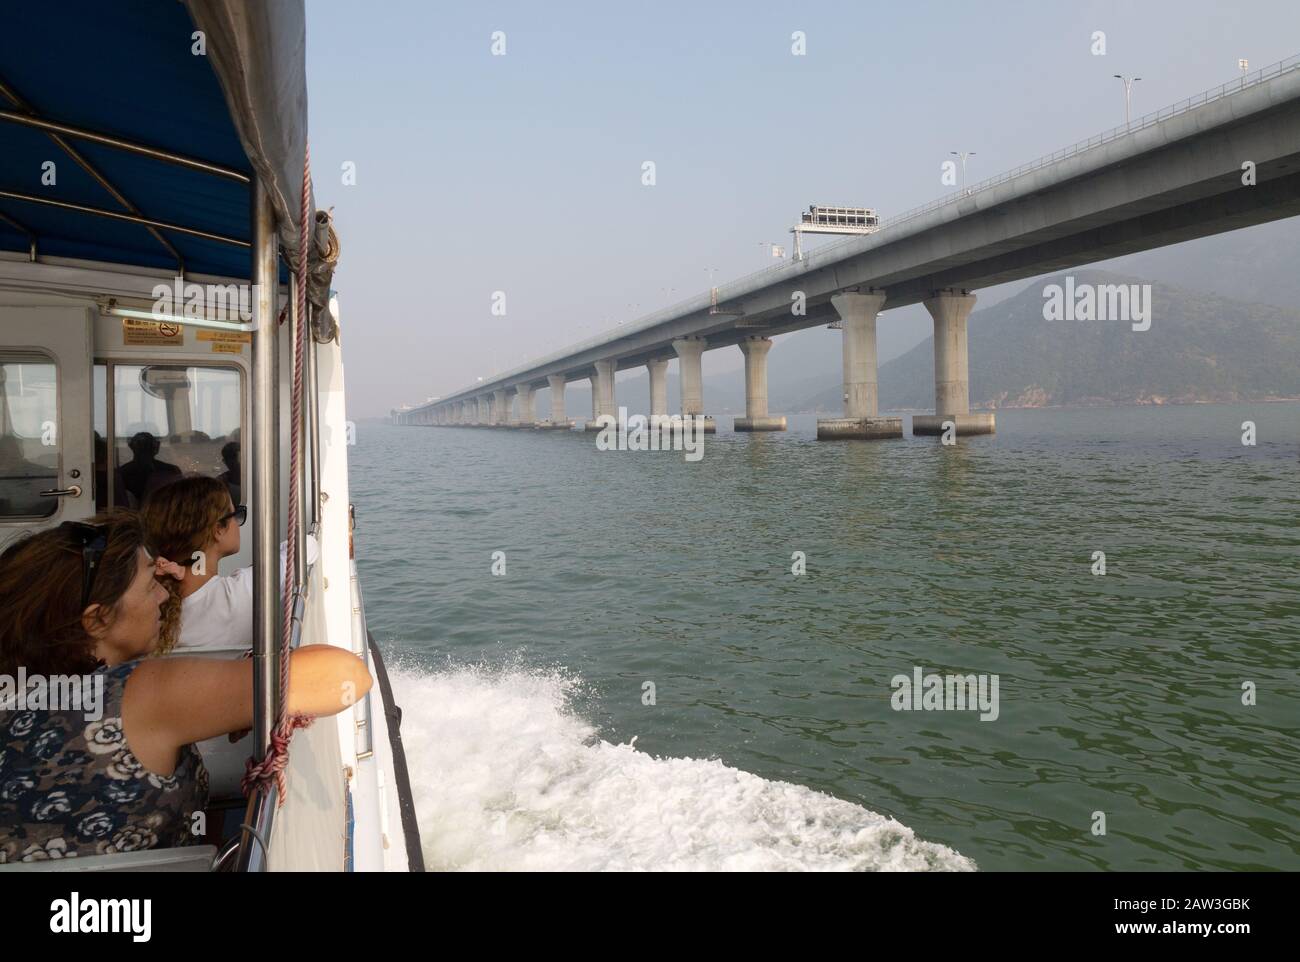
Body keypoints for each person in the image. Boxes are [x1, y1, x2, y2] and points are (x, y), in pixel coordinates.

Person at [0, 511, 370, 862]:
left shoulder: (20, 694)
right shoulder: (134, 694)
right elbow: (346, 675)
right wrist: (246, 689)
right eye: (149, 585)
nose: (164, 595)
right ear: (97, 619)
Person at [141, 476, 317, 653]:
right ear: (218, 529)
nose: (237, 524)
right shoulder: (240, 595)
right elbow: (307, 546)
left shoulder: (145, 605)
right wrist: (254, 569)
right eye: (236, 515)